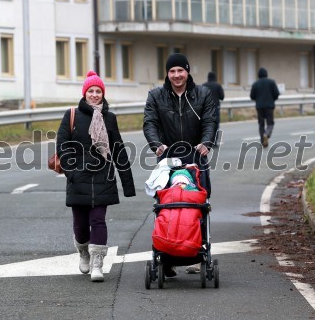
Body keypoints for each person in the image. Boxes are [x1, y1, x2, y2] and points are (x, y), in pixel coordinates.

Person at [56, 70, 136, 282]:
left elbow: (118, 149)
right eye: (90, 91)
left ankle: (97, 263)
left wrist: (127, 184)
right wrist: (72, 172)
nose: (94, 94)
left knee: (98, 220)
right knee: (80, 225)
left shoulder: (109, 118)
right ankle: (83, 251)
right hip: (78, 178)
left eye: (98, 91)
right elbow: (62, 146)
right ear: (84, 93)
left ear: (102, 93)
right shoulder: (71, 115)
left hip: (104, 176)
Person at [143, 53, 217, 276]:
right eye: (172, 71)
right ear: (167, 74)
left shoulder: (202, 94)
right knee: (166, 205)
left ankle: (196, 251)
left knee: (198, 204)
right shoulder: (156, 96)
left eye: (180, 71)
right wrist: (156, 144)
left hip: (196, 157)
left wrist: (207, 142)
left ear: (187, 71)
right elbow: (150, 123)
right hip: (167, 158)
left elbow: (210, 121)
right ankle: (167, 258)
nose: (176, 75)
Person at [250, 67, 280, 148]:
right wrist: (272, 99)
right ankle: (266, 134)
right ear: (266, 74)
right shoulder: (271, 82)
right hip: (269, 106)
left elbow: (252, 96)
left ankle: (263, 142)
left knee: (261, 124)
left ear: (258, 75)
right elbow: (277, 93)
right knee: (270, 123)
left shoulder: (255, 84)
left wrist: (258, 99)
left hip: (259, 107)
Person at [203, 71, 224, 145]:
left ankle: (206, 141)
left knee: (206, 124)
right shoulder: (218, 86)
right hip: (215, 107)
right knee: (216, 124)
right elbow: (222, 97)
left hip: (205, 108)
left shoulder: (204, 86)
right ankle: (214, 142)